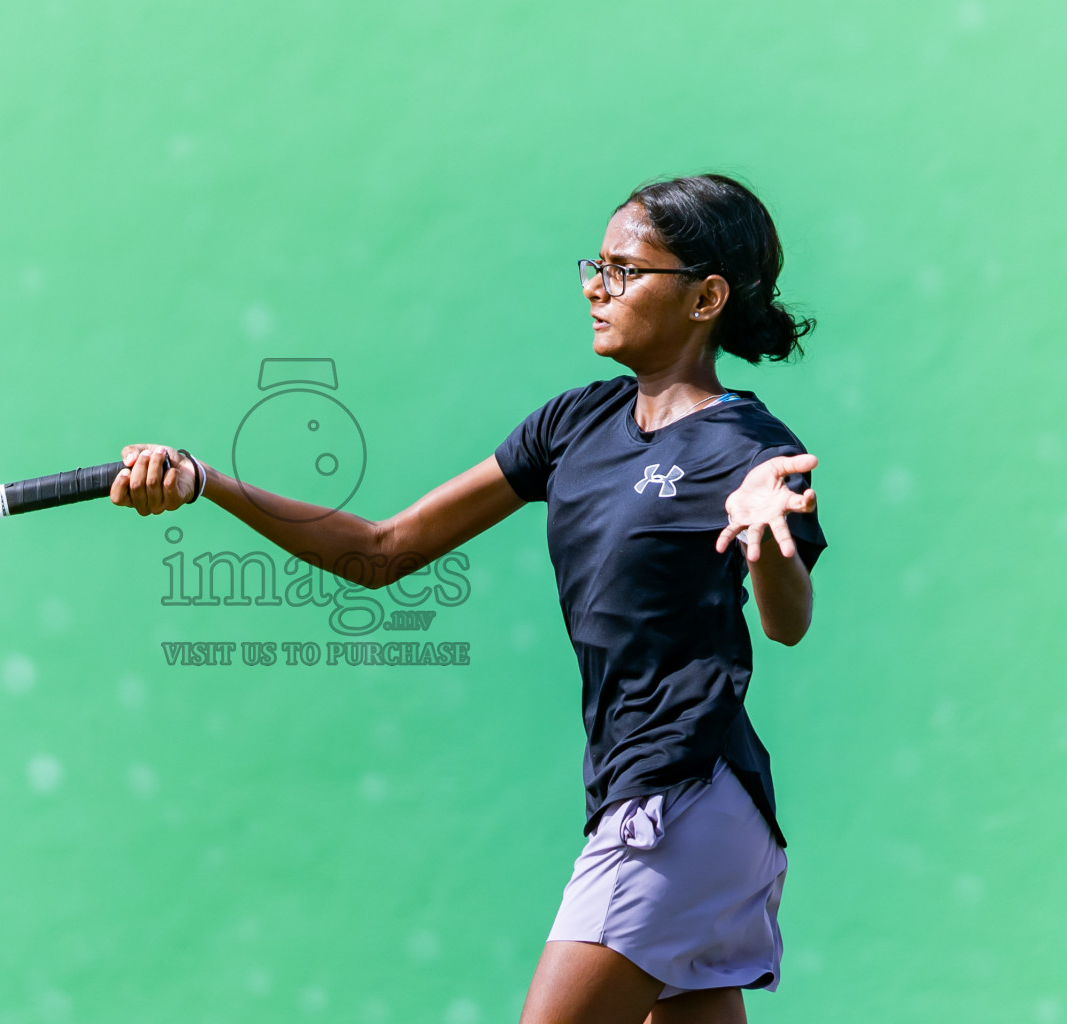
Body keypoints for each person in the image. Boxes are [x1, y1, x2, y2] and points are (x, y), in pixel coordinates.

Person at [111, 173, 825, 1024]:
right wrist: (204, 483)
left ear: (706, 297)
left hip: (682, 796)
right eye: (594, 266)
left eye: (625, 270)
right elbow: (383, 551)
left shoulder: (747, 448)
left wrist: (763, 541)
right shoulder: (573, 427)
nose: (596, 288)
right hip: (673, 807)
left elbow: (787, 623)